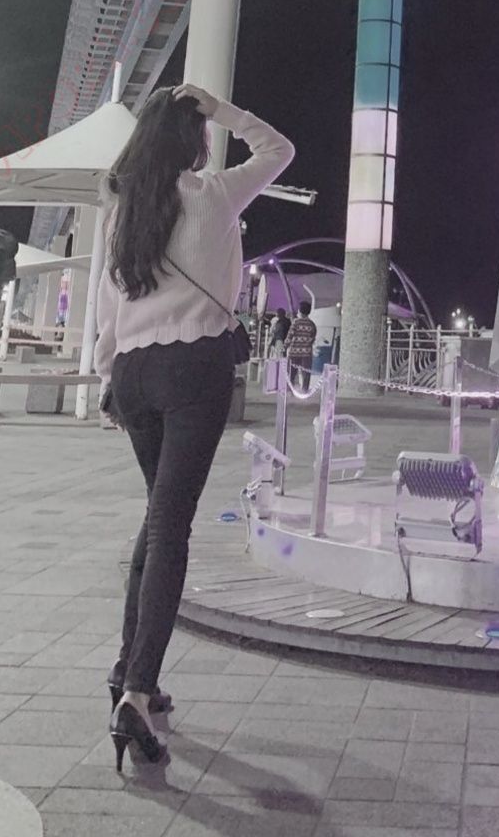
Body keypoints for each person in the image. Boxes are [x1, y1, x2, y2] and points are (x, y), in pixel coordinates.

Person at [94, 83, 295, 770]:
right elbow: (279, 149)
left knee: (157, 517)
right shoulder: (213, 194)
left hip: (133, 372)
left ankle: (128, 672)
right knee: (170, 527)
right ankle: (137, 693)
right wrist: (223, 110)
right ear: (195, 140)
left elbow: (107, 305)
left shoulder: (121, 206)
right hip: (192, 369)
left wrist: (107, 376)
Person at [285, 300, 317, 392]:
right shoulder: (312, 324)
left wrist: (285, 346)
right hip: (306, 353)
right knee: (306, 372)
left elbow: (289, 336)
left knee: (291, 372)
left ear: (299, 311)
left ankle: (289, 390)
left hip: (294, 352)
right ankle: (304, 390)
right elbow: (313, 338)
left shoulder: (296, 322)